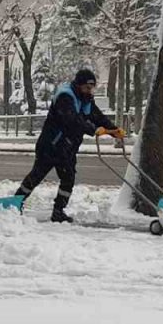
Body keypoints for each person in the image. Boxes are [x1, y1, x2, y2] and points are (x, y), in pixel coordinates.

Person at [14, 68, 122, 223]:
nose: (89, 90)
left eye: (91, 88)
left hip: (66, 149)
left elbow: (97, 116)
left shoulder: (85, 99)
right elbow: (72, 120)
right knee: (36, 176)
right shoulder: (65, 96)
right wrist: (93, 129)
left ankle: (58, 211)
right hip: (51, 146)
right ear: (79, 85)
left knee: (68, 178)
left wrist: (114, 130)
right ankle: (15, 204)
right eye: (87, 87)